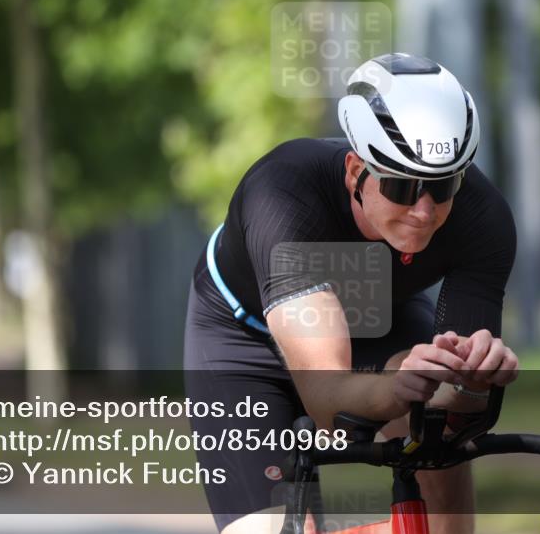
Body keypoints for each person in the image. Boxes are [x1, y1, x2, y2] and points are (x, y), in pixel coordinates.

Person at [184, 53, 519, 533]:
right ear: (353, 171)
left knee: (441, 484)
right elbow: (327, 399)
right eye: (403, 187)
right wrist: (399, 386)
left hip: (382, 315)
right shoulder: (281, 194)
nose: (424, 211)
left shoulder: (482, 218)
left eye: (443, 186)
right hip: (242, 338)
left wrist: (471, 381)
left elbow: (455, 411)